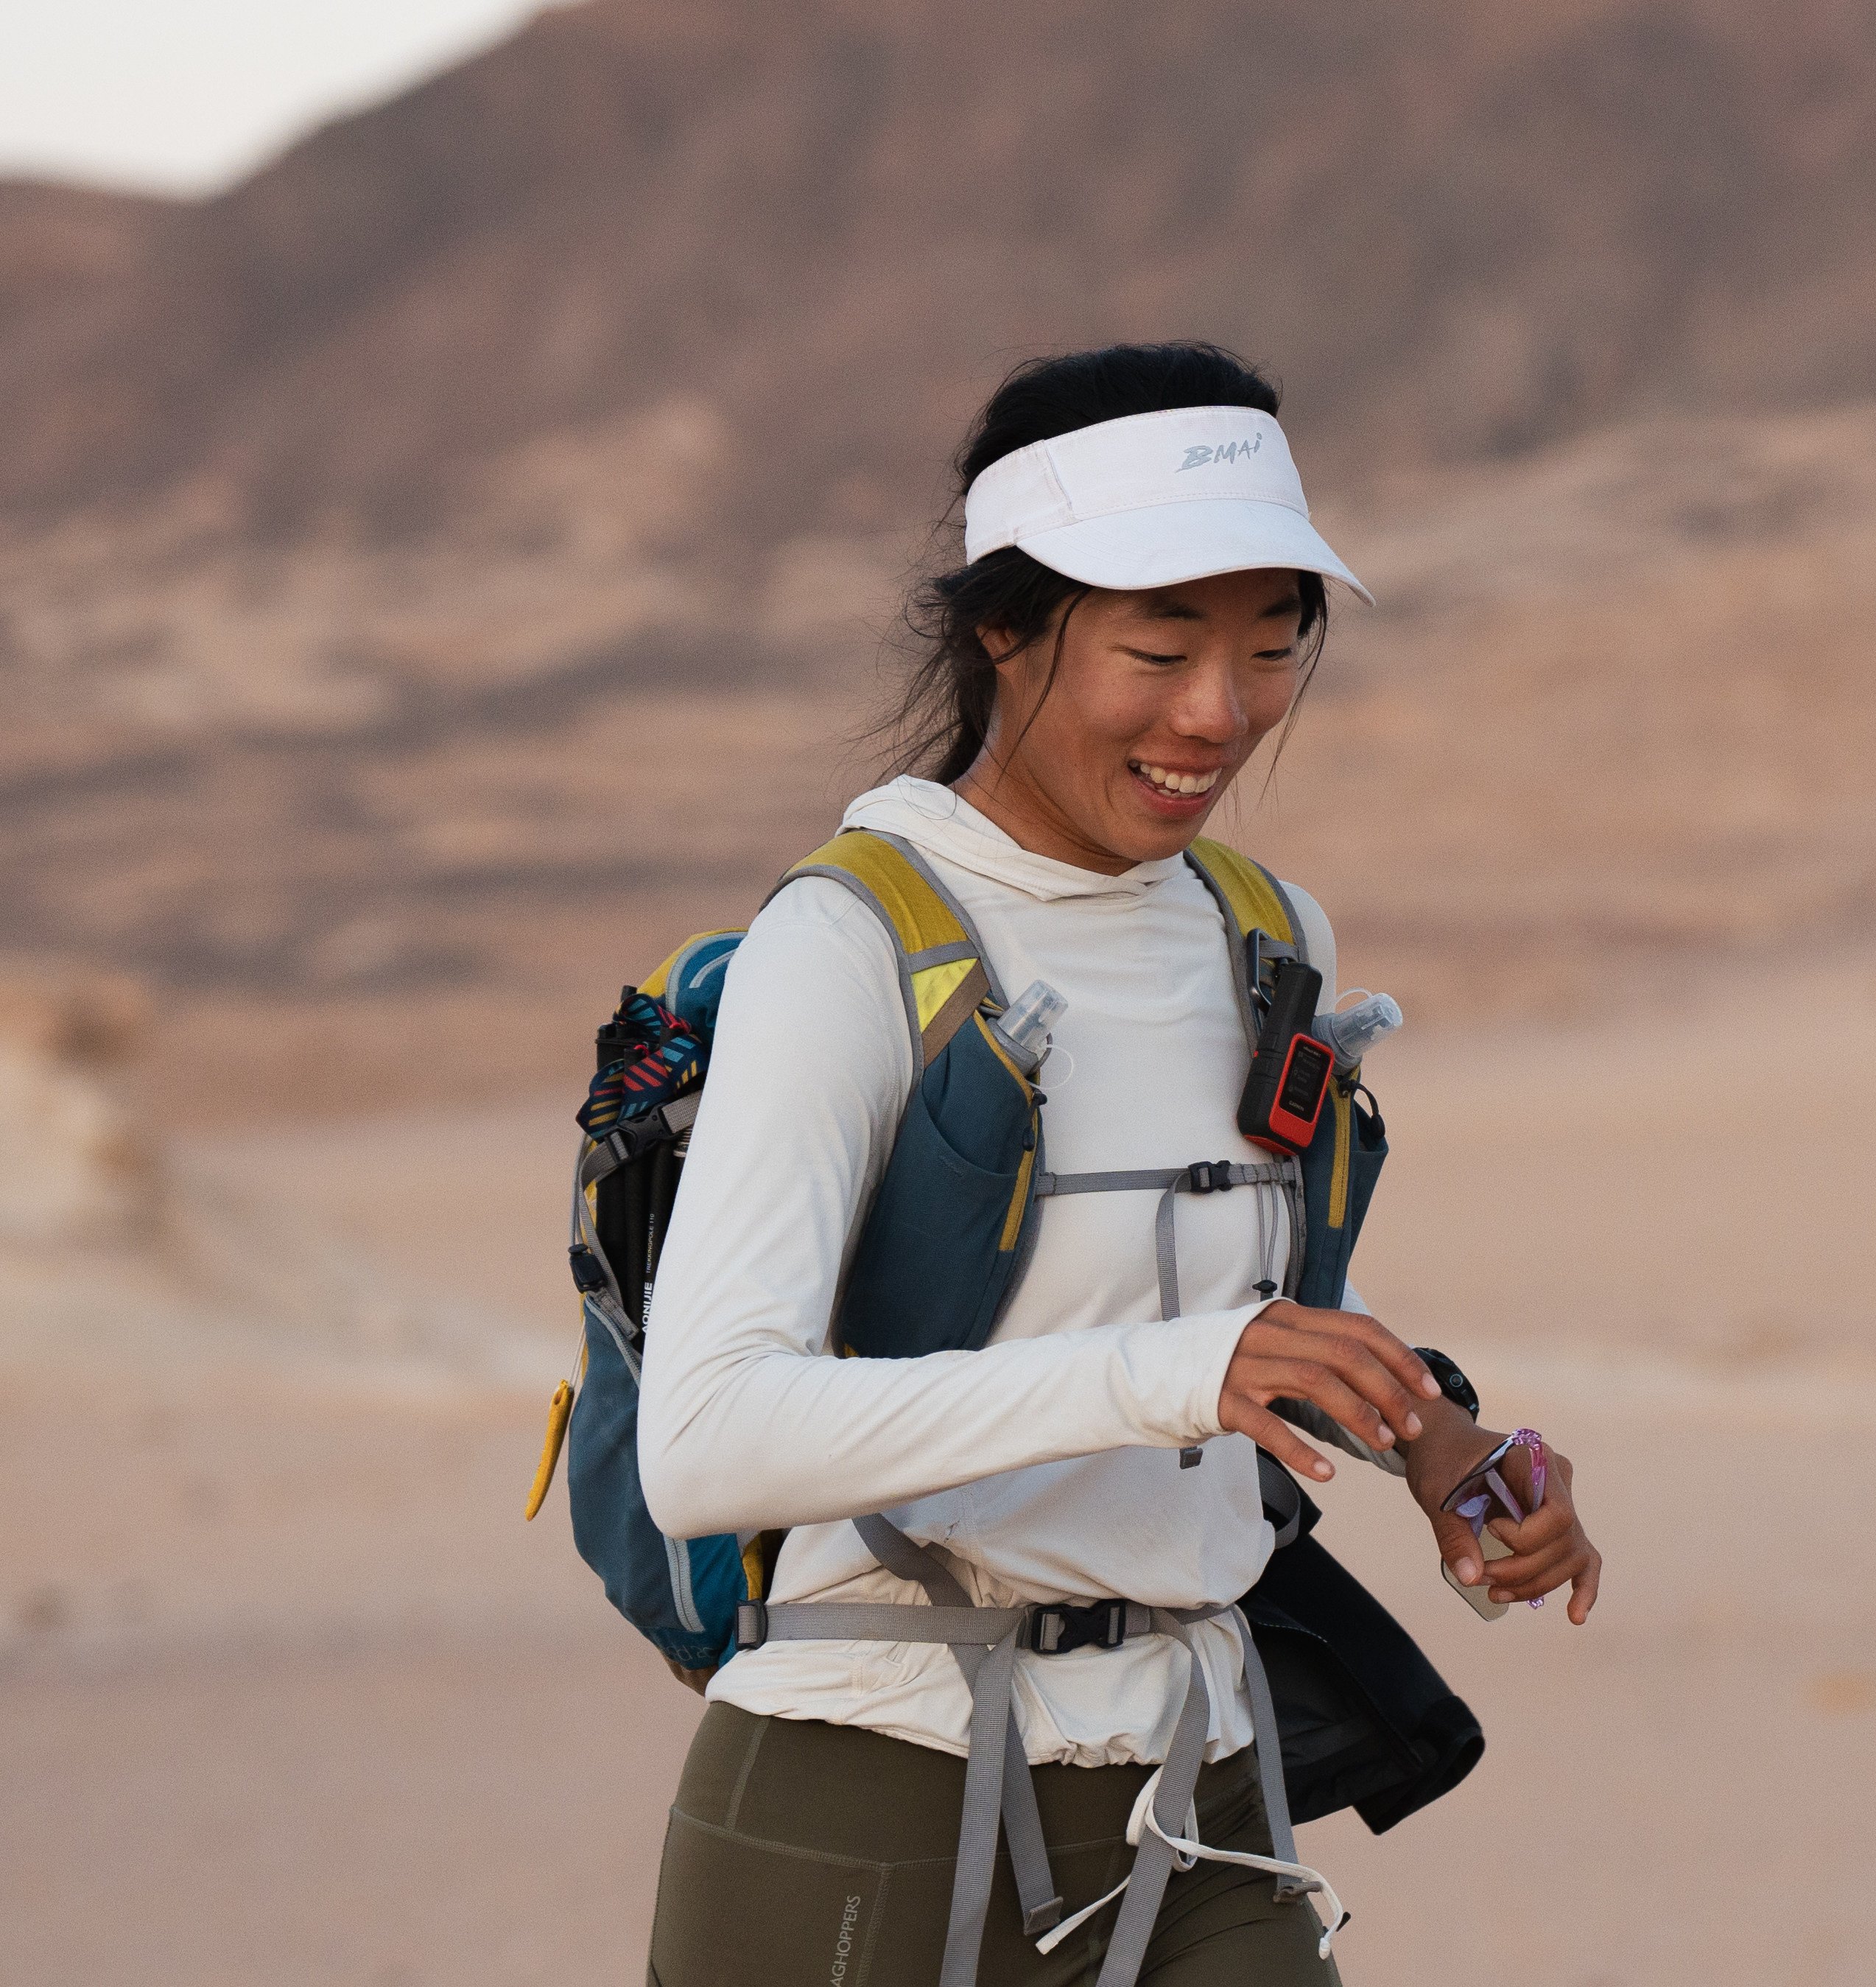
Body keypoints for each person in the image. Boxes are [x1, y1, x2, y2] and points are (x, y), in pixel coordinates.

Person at [633, 342, 1603, 1987]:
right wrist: (1175, 1372)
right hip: (868, 1783)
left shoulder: (1262, 926)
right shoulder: (854, 937)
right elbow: (709, 1438)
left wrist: (1434, 1438)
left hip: (1202, 1790)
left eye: (1273, 647)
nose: (1216, 713)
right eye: (1158, 648)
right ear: (1001, 629)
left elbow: (1244, 1308)